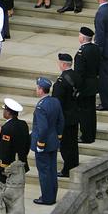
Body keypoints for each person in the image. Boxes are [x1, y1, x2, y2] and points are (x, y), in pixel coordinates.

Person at [0, 98, 30, 214]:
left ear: (9, 112)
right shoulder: (22, 124)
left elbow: (5, 150)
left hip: (8, 169)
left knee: (7, 196)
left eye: (4, 110)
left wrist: (3, 166)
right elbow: (26, 144)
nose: (3, 112)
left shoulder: (7, 128)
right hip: (19, 164)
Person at [30, 77, 64, 205]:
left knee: (44, 171)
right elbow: (61, 121)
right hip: (53, 141)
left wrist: (40, 143)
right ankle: (52, 195)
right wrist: (58, 137)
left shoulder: (41, 107)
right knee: (52, 170)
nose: (36, 89)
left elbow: (42, 128)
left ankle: (47, 198)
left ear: (40, 90)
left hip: (44, 143)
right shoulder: (55, 101)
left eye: (37, 87)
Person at [52, 53, 80, 178]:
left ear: (63, 64)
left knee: (66, 145)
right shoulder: (76, 75)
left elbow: (57, 102)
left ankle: (67, 169)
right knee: (73, 143)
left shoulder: (61, 82)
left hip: (65, 118)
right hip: (75, 114)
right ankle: (74, 164)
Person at [74, 27, 101, 144]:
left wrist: (77, 88)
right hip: (93, 82)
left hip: (84, 85)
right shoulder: (96, 48)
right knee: (91, 111)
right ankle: (92, 133)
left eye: (79, 35)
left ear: (83, 38)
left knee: (84, 112)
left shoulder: (82, 52)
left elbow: (79, 73)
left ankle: (86, 136)